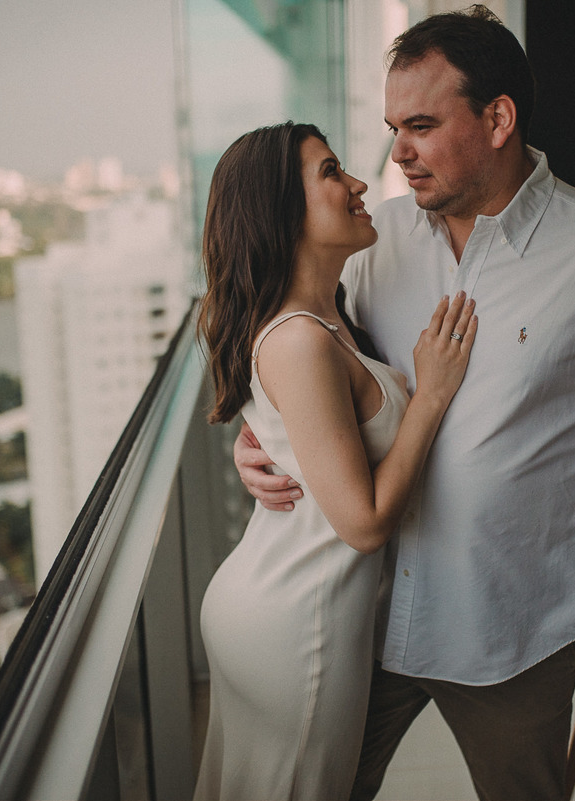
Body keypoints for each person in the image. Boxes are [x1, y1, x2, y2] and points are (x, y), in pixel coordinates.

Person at [235, 7, 575, 800]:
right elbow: (308, 359)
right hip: (361, 615)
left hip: (510, 632)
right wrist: (261, 438)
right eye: (393, 129)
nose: (397, 153)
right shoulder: (376, 244)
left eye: (420, 126)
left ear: (498, 119)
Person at [192, 121, 477, 801]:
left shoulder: (325, 319)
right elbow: (365, 523)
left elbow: (300, 428)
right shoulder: (300, 339)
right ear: (281, 211)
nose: (356, 184)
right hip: (297, 623)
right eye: (329, 172)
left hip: (286, 601)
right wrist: (432, 394)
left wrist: (259, 440)